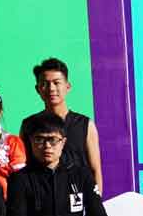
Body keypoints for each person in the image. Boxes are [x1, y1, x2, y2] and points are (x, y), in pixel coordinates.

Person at [20, 58, 102, 192]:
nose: (51, 88)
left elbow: (95, 169)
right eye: (45, 84)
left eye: (56, 83)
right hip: (41, 199)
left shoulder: (85, 124)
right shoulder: (29, 125)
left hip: (77, 199)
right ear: (37, 89)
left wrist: (96, 204)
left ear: (68, 86)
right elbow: (24, 165)